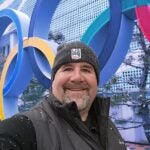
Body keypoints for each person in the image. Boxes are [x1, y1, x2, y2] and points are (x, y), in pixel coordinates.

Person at [0, 41, 127, 150]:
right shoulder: (24, 129)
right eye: (67, 69)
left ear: (96, 81)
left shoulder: (109, 128)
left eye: (86, 69)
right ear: (53, 81)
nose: (77, 77)